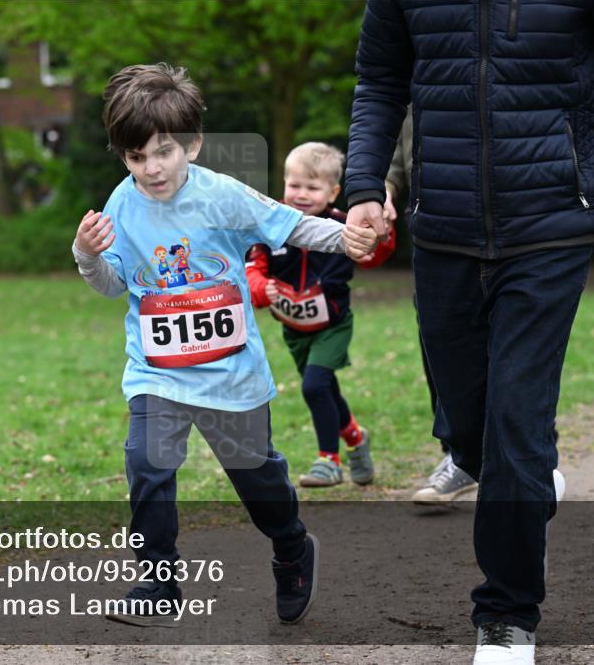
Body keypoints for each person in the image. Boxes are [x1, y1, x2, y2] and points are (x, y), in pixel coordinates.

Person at [344, 1, 594, 664]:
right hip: (442, 229)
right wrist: (362, 183)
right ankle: (524, 481)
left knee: (516, 425)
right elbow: (381, 80)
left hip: (553, 220)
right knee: (469, 435)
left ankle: (506, 616)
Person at [71, 63, 377, 628]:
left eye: (162, 152)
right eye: (136, 157)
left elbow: (289, 226)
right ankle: (157, 583)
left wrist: (346, 238)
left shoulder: (222, 196)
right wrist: (87, 254)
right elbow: (113, 284)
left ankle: (291, 547)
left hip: (231, 377)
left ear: (191, 144)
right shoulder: (120, 205)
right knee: (146, 462)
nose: (151, 168)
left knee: (255, 476)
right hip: (158, 372)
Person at [246, 142, 395, 487]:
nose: (300, 194)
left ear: (333, 192)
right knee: (324, 388)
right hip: (294, 329)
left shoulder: (343, 226)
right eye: (294, 185)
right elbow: (253, 266)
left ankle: (328, 460)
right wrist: (260, 288)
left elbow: (374, 254)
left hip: (333, 324)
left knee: (315, 386)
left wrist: (383, 232)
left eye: (312, 188)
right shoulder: (272, 226)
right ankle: (356, 437)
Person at [385, 108, 479, 505]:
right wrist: (382, 191)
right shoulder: (409, 77)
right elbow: (391, 154)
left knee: (512, 346)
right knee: (439, 350)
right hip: (432, 230)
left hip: (512, 223)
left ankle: (534, 456)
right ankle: (459, 458)